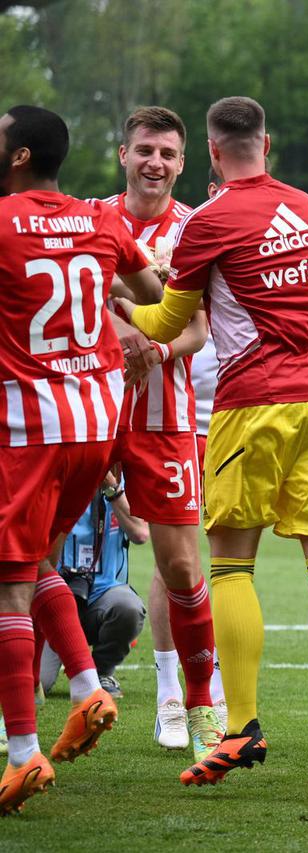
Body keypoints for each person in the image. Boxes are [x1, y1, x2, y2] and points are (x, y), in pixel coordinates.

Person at [118, 96, 308, 801]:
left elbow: (171, 316)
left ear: (209, 150)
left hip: (251, 403)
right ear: (269, 143)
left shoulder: (208, 220)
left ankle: (241, 724)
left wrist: (112, 299)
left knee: (231, 565)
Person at [0, 104, 162, 815]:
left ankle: (22, 753)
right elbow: (155, 292)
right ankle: (91, 687)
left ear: (18, 156)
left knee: (9, 583)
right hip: (96, 424)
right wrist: (106, 290)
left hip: (29, 425)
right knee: (37, 561)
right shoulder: (100, 222)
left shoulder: (2, 224)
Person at [102, 106, 221, 761]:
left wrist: (159, 350)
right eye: (145, 148)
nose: (155, 162)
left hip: (163, 414)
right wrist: (119, 336)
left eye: (168, 154)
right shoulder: (90, 218)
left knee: (178, 562)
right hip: (84, 407)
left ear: (181, 164)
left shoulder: (193, 229)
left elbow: (200, 328)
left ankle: (187, 702)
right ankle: (27, 719)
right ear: (123, 152)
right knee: (33, 553)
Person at [42, 472, 150, 698]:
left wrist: (111, 487)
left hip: (102, 596)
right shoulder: (52, 477)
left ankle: (102, 671)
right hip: (51, 604)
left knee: (128, 608)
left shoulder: (123, 480)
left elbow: (140, 533)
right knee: (38, 681)